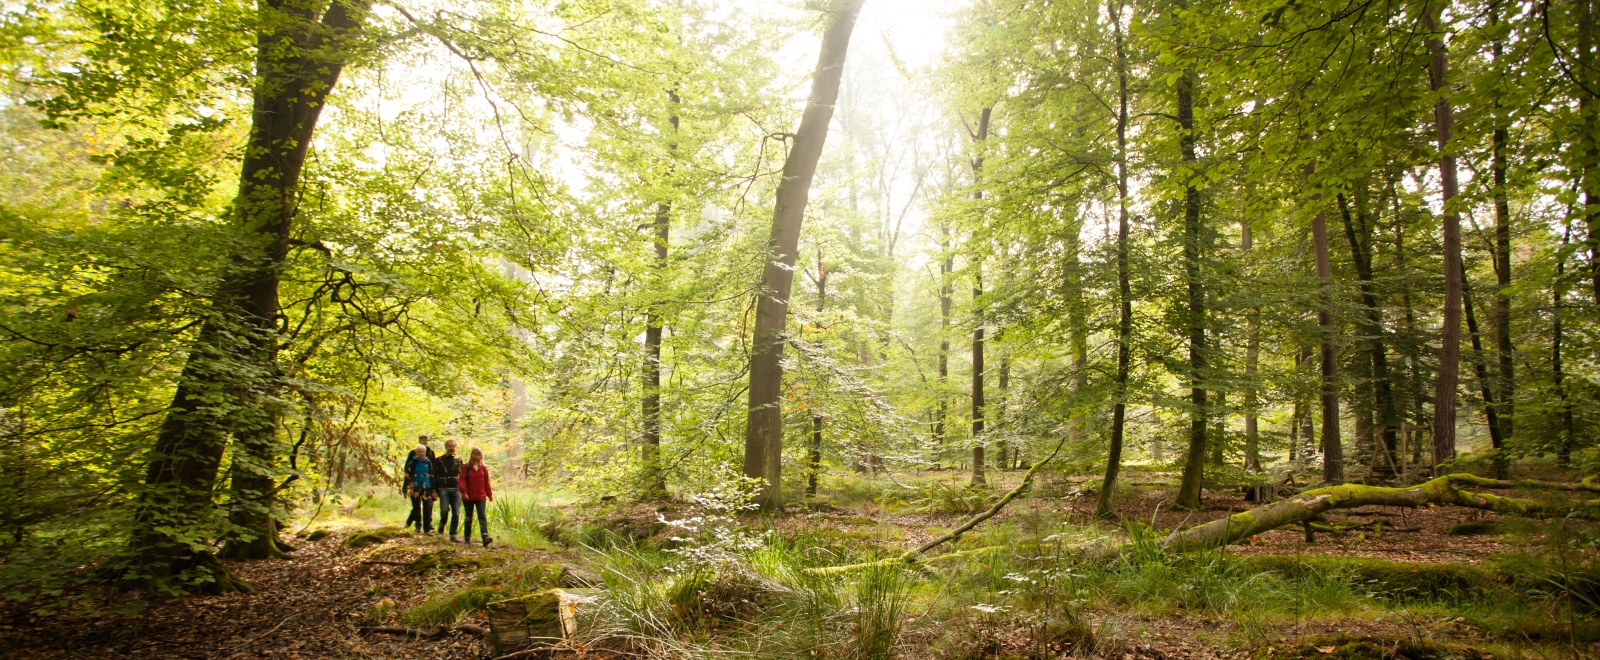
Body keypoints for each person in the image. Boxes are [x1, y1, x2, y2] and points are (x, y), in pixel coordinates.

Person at [459, 447, 493, 547]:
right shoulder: (466, 467)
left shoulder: (484, 468)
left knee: (482, 516)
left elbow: (487, 482)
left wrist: (489, 494)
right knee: (469, 517)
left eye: (478, 454)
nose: (476, 456)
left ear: (481, 456)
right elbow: (461, 480)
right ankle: (467, 538)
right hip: (468, 496)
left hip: (480, 496)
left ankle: (485, 537)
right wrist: (463, 492)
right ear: (471, 455)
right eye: (475, 454)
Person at [402, 434, 437, 530]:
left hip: (427, 487)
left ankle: (427, 528)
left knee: (427, 507)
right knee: (416, 508)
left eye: (423, 452)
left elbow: (432, 474)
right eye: (420, 452)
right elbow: (407, 473)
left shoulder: (429, 460)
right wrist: (405, 488)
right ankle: (412, 524)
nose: (421, 453)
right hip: (415, 487)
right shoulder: (412, 461)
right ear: (416, 452)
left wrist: (434, 489)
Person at [436, 439, 465, 542]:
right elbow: (434, 476)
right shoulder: (439, 460)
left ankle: (453, 534)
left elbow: (463, 476)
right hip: (443, 489)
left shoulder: (459, 460)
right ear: (446, 447)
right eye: (449, 446)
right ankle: (442, 524)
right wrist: (434, 490)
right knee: (444, 511)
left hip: (456, 490)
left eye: (453, 446)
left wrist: (464, 490)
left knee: (456, 513)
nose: (451, 448)